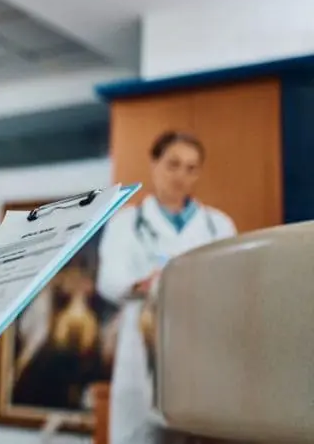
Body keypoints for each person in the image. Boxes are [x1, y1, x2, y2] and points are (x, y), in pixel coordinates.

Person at [97, 130, 237, 444]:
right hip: (141, 343)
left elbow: (232, 286)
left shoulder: (219, 225)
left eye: (191, 168)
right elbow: (108, 281)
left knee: (197, 430)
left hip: (200, 345)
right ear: (154, 163)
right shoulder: (126, 223)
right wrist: (143, 282)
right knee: (140, 433)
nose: (181, 176)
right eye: (173, 164)